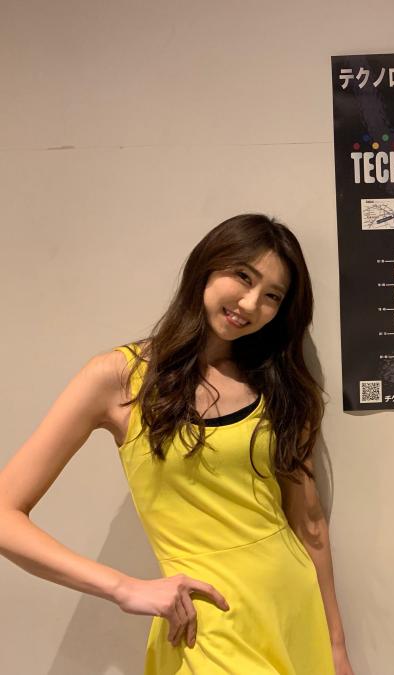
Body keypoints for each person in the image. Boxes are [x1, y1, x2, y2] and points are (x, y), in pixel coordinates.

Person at [0, 214, 354, 674]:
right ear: (206, 265)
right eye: (243, 276)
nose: (250, 303)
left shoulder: (279, 386)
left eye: (272, 296)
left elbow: (308, 521)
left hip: (291, 609)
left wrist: (336, 646)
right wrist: (124, 588)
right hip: (207, 618)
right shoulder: (119, 377)